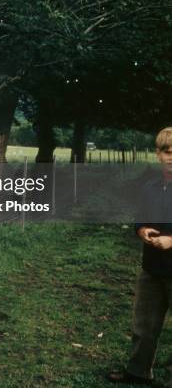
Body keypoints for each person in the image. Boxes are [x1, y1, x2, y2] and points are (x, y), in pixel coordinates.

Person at [107, 127, 172, 386]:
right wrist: (143, 230)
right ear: (158, 154)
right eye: (167, 152)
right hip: (152, 268)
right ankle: (138, 371)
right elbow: (140, 220)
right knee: (144, 325)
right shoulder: (151, 187)